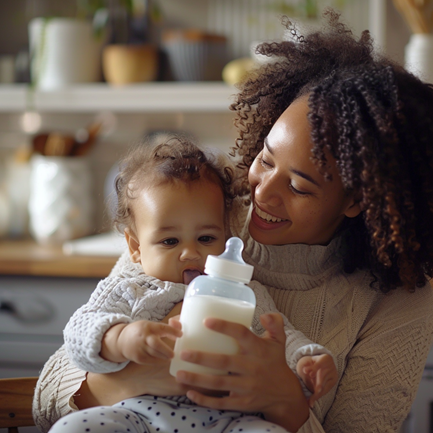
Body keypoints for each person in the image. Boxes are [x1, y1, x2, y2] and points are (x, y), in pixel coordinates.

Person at [33, 10, 433, 433]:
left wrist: (284, 402)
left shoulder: (399, 299)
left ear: (356, 200)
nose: (261, 192)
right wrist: (148, 373)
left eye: (298, 187)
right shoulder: (200, 221)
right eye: (266, 158)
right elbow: (48, 397)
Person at [47, 133, 338, 433]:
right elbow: (79, 331)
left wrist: (306, 359)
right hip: (137, 414)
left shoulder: (243, 293)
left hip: (227, 420)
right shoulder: (130, 288)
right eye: (170, 241)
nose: (190, 253)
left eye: (206, 238)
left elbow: (279, 338)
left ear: (227, 238)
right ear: (135, 248)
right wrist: (121, 338)